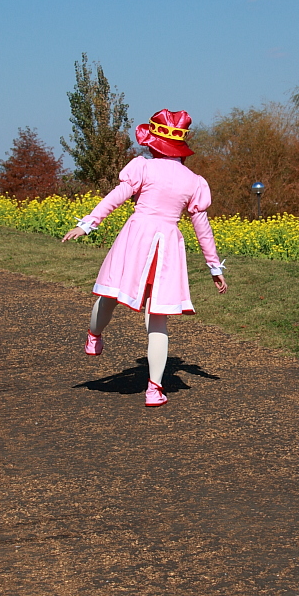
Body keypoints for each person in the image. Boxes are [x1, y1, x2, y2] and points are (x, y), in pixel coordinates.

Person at [62, 108, 227, 407]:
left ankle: (94, 336)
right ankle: (154, 389)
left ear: (154, 143)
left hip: (137, 237)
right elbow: (202, 228)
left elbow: (115, 197)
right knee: (158, 319)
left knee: (110, 294)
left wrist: (87, 224)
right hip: (168, 245)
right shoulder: (194, 181)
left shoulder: (142, 168)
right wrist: (214, 267)